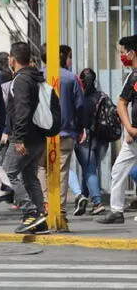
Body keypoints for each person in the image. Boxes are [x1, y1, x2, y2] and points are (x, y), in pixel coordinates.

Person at [1, 42, 48, 234]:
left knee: (7, 174)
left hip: (25, 138)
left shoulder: (20, 81)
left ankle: (30, 213)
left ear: (12, 59)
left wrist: (18, 138)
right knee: (29, 177)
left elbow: (22, 110)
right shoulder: (36, 78)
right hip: (38, 137)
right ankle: (40, 219)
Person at [37, 45, 85, 220]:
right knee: (62, 170)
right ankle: (61, 208)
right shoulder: (71, 78)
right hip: (65, 132)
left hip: (41, 133)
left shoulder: (36, 77)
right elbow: (80, 106)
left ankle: (46, 204)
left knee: (41, 167)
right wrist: (80, 128)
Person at [98, 35, 137, 224]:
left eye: (123, 53)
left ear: (132, 52)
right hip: (134, 137)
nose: (122, 57)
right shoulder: (133, 76)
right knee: (118, 170)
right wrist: (129, 128)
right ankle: (116, 211)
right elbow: (122, 104)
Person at [74, 68, 108, 215]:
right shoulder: (102, 96)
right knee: (90, 169)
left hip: (84, 138)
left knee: (89, 169)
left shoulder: (79, 98)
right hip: (102, 138)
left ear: (81, 80)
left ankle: (97, 202)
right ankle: (84, 197)